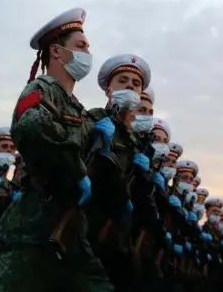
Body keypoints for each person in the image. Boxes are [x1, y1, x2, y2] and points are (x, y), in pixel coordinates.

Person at [0, 7, 114, 292]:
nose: (87, 53)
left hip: (69, 226)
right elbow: (32, 129)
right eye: (80, 46)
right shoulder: (40, 89)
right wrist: (75, 171)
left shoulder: (74, 106)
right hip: (33, 228)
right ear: (57, 52)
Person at [86, 53, 152, 292]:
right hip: (87, 230)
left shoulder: (136, 142)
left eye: (136, 84)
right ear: (108, 90)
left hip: (120, 237)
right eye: (122, 80)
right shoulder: (91, 121)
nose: (129, 86)